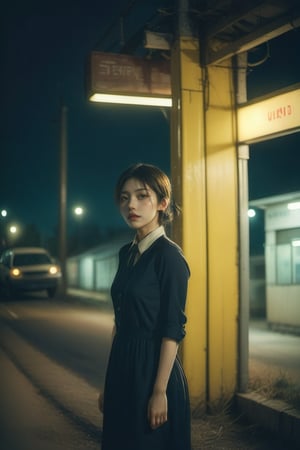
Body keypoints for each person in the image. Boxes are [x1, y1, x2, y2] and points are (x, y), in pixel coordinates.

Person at [98, 163, 191, 450]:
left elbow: (172, 329)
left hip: (153, 370)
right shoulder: (126, 253)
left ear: (163, 203)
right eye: (124, 198)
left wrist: (159, 391)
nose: (131, 205)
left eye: (142, 196)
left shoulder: (170, 258)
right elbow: (119, 321)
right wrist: (108, 382)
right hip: (122, 366)